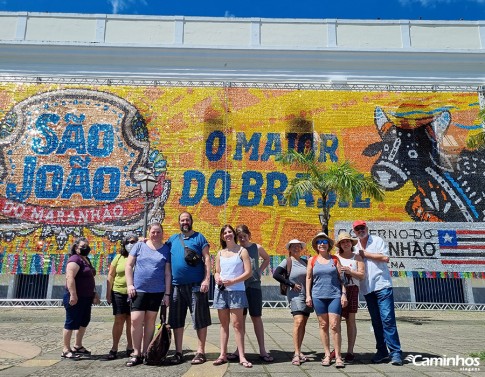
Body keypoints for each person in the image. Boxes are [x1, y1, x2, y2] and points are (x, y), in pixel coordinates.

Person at [353, 220, 403, 366]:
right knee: (376, 322)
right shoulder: (354, 246)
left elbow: (385, 258)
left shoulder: (377, 240)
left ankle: (396, 353)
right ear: (354, 232)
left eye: (362, 228)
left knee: (387, 319)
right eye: (357, 229)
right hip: (367, 288)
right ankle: (382, 351)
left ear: (366, 228)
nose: (360, 230)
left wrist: (365, 254)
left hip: (382, 285)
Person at [166, 211, 211, 365]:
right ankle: (178, 352)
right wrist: (144, 241)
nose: (185, 222)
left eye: (187, 219)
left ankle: (200, 352)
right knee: (176, 320)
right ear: (179, 222)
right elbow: (157, 247)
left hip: (196, 286)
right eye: (182, 220)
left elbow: (207, 259)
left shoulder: (199, 237)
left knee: (199, 319)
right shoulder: (172, 239)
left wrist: (206, 280)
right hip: (176, 286)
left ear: (191, 221)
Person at [125, 223, 171, 367]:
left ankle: (146, 352)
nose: (155, 234)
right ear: (148, 232)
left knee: (150, 322)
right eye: (153, 232)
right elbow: (129, 265)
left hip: (157, 291)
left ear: (162, 233)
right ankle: (136, 352)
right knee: (135, 320)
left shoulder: (166, 250)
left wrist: (167, 293)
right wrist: (130, 284)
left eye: (158, 232)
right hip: (138, 290)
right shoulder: (139, 246)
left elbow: (167, 273)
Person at [226, 224, 273, 363]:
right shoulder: (236, 250)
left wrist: (259, 271)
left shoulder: (256, 247)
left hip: (254, 287)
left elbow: (267, 258)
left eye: (244, 236)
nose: (242, 239)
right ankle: (239, 350)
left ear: (249, 235)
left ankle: (262, 350)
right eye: (239, 237)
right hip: (240, 287)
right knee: (239, 320)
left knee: (256, 317)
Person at [212, 225, 253, 368]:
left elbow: (248, 272)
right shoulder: (220, 253)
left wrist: (233, 281)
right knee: (223, 325)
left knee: (237, 325)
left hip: (237, 291)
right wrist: (217, 277)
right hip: (221, 291)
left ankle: (242, 356)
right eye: (225, 233)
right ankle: (222, 354)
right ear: (222, 236)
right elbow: (216, 271)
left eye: (229, 232)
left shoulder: (242, 251)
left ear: (234, 234)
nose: (227, 234)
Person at [305, 232, 347, 369]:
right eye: (318, 242)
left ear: (328, 244)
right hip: (318, 296)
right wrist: (308, 295)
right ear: (316, 246)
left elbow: (342, 278)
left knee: (334, 325)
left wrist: (344, 294)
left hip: (334, 295)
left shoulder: (335, 259)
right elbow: (309, 278)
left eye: (324, 241)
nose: (321, 244)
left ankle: (339, 356)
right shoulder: (312, 260)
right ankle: (327, 354)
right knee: (323, 325)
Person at [273, 239, 313, 366]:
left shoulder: (305, 262)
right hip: (295, 295)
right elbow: (276, 274)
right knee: (298, 321)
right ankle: (296, 353)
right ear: (289, 249)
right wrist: (290, 284)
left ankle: (299, 350)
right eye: (293, 247)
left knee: (303, 324)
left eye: (298, 246)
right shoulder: (288, 261)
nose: (296, 248)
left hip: (307, 296)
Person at [62, 237, 100, 359]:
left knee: (84, 321)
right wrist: (73, 294)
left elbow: (90, 278)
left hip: (87, 296)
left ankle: (77, 345)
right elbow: (70, 277)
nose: (86, 248)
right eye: (83, 246)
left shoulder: (86, 259)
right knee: (71, 322)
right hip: (75, 296)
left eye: (87, 245)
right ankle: (65, 349)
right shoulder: (74, 259)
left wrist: (94, 293)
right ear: (76, 248)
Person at [105, 234, 137, 360]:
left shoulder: (139, 256)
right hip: (118, 292)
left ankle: (130, 347)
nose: (131, 244)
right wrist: (108, 294)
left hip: (134, 293)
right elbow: (111, 275)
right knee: (119, 320)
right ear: (124, 244)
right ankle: (114, 348)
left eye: (133, 241)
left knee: (132, 321)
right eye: (128, 242)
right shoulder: (118, 257)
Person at [335, 232, 365, 363]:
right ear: (340, 245)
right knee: (336, 320)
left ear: (351, 243)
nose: (346, 244)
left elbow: (362, 275)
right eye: (343, 242)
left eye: (347, 241)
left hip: (352, 288)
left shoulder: (357, 257)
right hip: (337, 289)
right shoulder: (335, 257)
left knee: (351, 320)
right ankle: (337, 351)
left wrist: (349, 271)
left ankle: (350, 351)